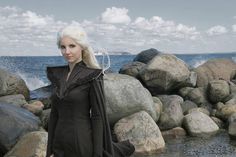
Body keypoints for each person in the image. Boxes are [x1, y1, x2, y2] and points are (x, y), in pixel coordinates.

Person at [46, 25, 135, 157]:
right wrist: (49, 151)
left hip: (81, 143)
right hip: (59, 143)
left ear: (81, 46)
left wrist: (97, 154)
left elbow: (98, 116)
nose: (67, 51)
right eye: (63, 47)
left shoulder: (93, 75)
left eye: (72, 46)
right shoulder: (57, 75)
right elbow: (54, 115)